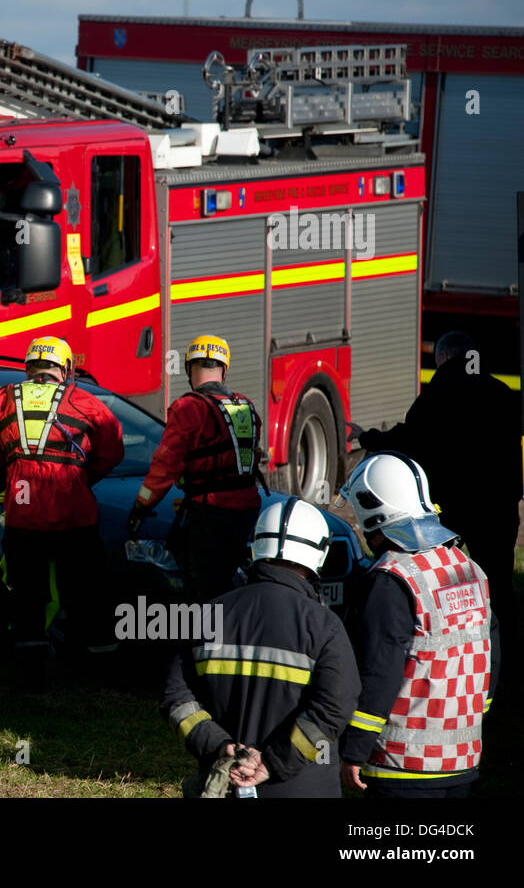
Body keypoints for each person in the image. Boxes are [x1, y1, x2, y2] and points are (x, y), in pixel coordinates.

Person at [161, 497, 361, 797]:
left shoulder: (206, 615)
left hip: (224, 782)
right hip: (304, 787)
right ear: (319, 553)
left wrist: (218, 745)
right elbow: (336, 706)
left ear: (255, 546)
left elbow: (177, 699)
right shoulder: (324, 625)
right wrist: (272, 762)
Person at [337, 453, 500, 798]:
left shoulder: (391, 580)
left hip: (402, 765)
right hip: (463, 760)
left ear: (372, 511)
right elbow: (491, 655)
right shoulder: (467, 567)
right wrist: (473, 715)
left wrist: (354, 749)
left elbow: (379, 673)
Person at [357, 330, 520, 642]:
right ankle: (507, 647)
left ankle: (450, 635)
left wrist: (368, 437)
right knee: (499, 581)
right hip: (499, 507)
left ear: (444, 357)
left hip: (454, 509)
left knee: (445, 575)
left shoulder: (435, 396)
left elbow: (408, 440)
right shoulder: (502, 394)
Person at [0, 335, 124, 670]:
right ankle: (97, 660)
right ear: (65, 368)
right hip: (75, 510)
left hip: (23, 509)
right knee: (87, 589)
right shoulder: (84, 400)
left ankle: (30, 662)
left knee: (27, 591)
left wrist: (6, 475)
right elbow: (113, 448)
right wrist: (82, 477)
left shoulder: (0, 399)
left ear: (29, 367)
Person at [130, 334, 263, 601]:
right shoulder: (245, 406)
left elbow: (165, 466)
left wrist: (141, 506)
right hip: (247, 511)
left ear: (190, 368)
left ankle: (203, 641)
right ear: (224, 369)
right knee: (233, 585)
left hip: (210, 513)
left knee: (204, 590)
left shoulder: (188, 408)